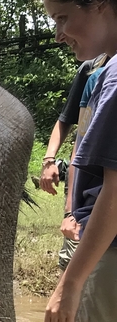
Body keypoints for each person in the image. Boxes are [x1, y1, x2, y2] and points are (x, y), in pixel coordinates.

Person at [39, 0, 117, 322]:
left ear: (102, 1)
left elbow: (116, 190)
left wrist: (70, 285)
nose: (57, 33)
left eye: (63, 16)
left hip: (109, 248)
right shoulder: (97, 72)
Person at [41, 54, 109, 270]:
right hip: (85, 190)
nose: (60, 36)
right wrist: (49, 159)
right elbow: (69, 125)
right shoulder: (92, 71)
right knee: (73, 260)